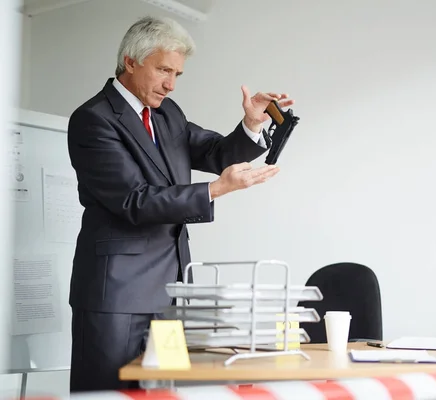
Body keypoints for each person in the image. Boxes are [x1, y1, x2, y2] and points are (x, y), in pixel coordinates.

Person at [67, 15, 292, 392]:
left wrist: (252, 124)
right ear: (131, 61)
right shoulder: (93, 119)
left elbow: (215, 152)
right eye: (163, 70)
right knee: (111, 394)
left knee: (167, 391)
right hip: (117, 297)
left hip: (172, 294)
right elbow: (133, 200)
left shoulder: (167, 113)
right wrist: (214, 191)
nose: (171, 84)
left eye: (177, 74)